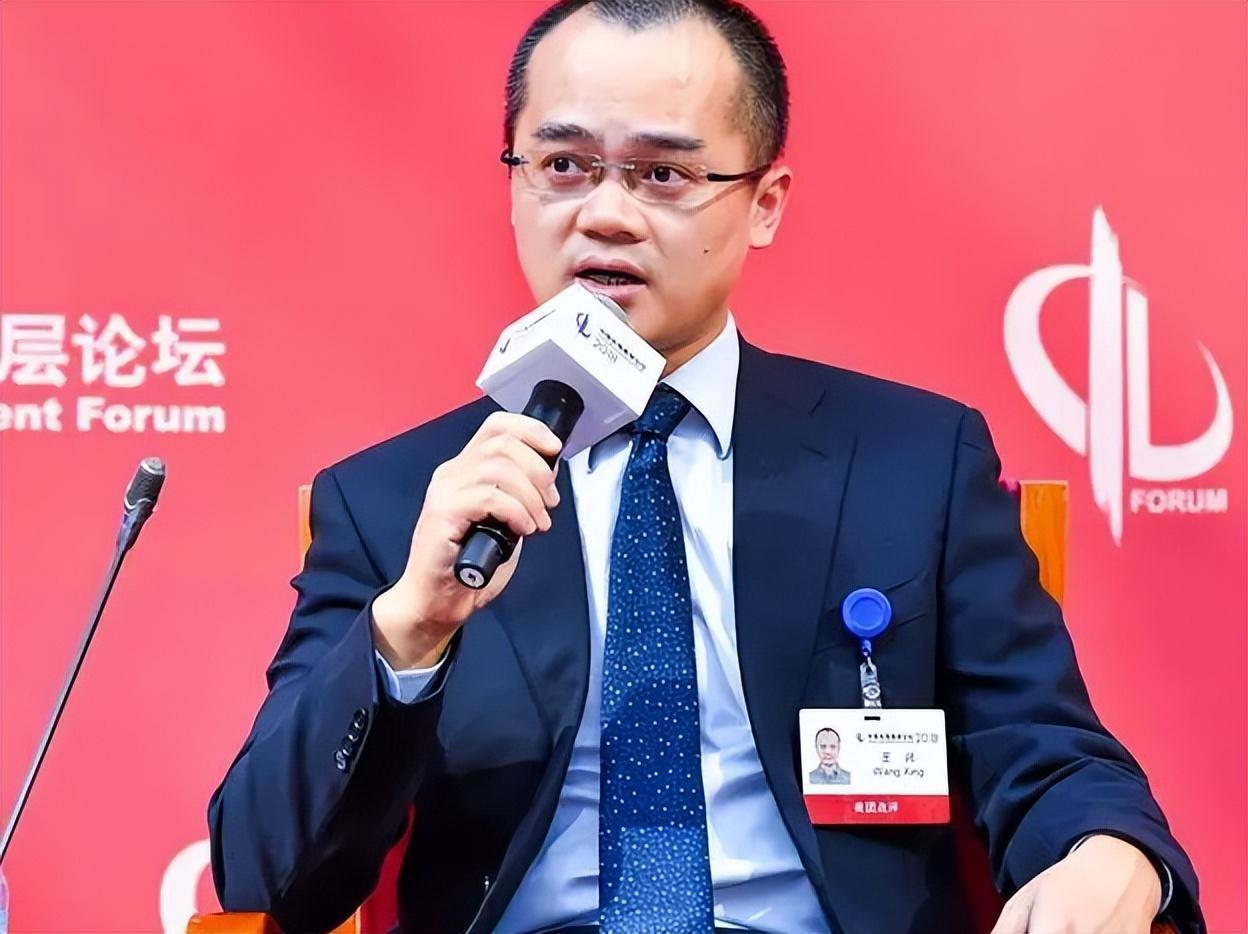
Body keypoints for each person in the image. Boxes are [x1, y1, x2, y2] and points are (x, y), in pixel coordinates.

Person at [208, 2, 1203, 932]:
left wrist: (1107, 854)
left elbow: (1044, 749)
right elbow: (265, 879)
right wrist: (409, 629)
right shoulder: (398, 502)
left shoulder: (910, 463)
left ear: (763, 203)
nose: (604, 214)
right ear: (513, 182)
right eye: (564, 165)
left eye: (663, 175)